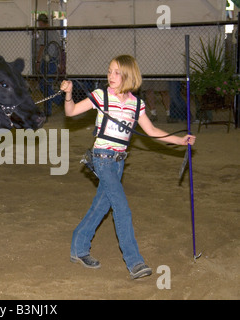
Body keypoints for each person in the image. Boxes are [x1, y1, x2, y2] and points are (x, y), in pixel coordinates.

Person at [60, 55, 196, 279]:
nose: (110, 76)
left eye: (116, 72)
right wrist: (67, 94)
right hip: (102, 159)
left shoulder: (137, 104)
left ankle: (78, 246)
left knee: (102, 206)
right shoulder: (101, 96)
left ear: (128, 76)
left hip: (120, 162)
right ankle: (135, 262)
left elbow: (151, 131)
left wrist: (179, 140)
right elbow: (71, 112)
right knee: (122, 208)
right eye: (109, 70)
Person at [35, 13, 63, 116]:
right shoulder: (55, 32)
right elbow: (60, 48)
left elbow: (42, 48)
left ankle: (59, 101)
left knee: (44, 86)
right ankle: (49, 108)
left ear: (41, 22)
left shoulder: (45, 33)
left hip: (47, 61)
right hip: (54, 61)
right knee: (47, 85)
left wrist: (38, 62)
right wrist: (60, 62)